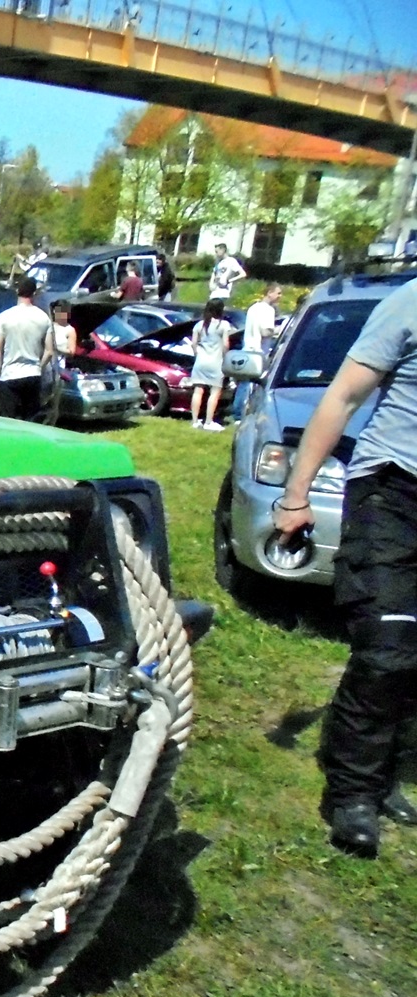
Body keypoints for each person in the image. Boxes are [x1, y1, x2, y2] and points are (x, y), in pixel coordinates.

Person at [272, 277, 417, 856]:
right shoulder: (408, 303)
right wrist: (295, 493)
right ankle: (353, 792)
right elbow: (343, 397)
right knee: (388, 647)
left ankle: (382, 768)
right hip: (392, 490)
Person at [0, 275, 55, 420]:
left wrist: (0, 371)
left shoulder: (5, 316)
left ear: (17, 291)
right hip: (32, 373)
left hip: (10, 373)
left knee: (8, 419)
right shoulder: (43, 317)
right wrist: (39, 366)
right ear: (34, 293)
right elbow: (49, 351)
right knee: (30, 420)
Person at [234, 283, 284, 418]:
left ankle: (237, 412)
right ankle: (246, 412)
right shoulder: (268, 310)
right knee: (255, 384)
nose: (280, 296)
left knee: (244, 383)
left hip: (247, 346)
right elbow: (265, 331)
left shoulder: (253, 307)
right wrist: (278, 330)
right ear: (269, 293)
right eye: (278, 293)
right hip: (258, 351)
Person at [187, 297, 235, 431]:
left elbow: (193, 344)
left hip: (200, 361)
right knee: (214, 392)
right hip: (216, 362)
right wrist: (226, 357)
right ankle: (209, 421)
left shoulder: (199, 325)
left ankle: (195, 421)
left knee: (198, 391)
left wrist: (198, 354)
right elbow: (225, 344)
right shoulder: (223, 325)